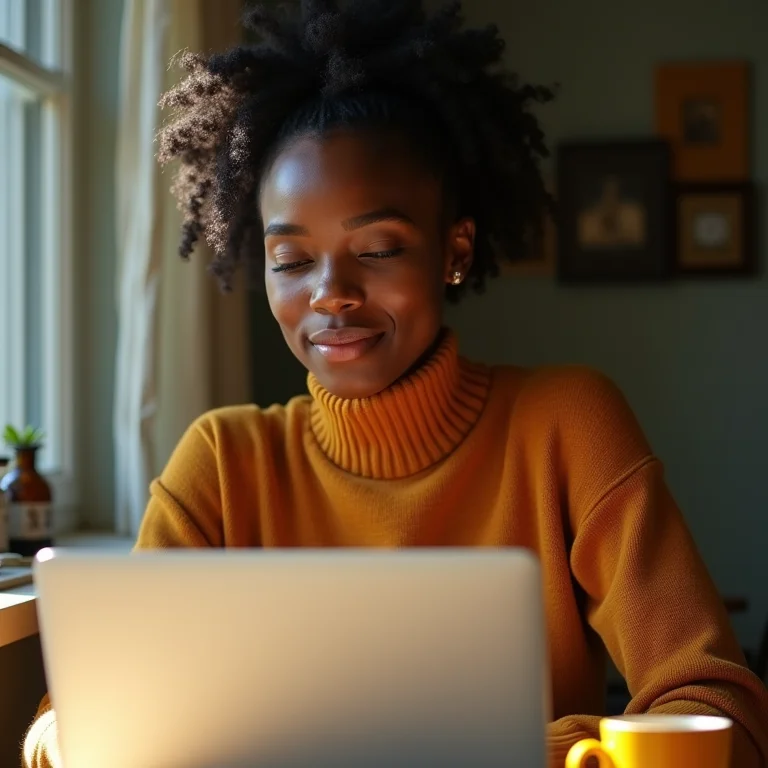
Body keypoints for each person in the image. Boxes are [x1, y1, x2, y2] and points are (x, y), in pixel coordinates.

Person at [23, 1, 768, 766]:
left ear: (454, 249)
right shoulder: (220, 463)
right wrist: (73, 734)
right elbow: (81, 719)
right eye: (291, 260)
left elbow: (716, 706)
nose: (329, 294)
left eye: (377, 248)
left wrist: (553, 751)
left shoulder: (566, 424)